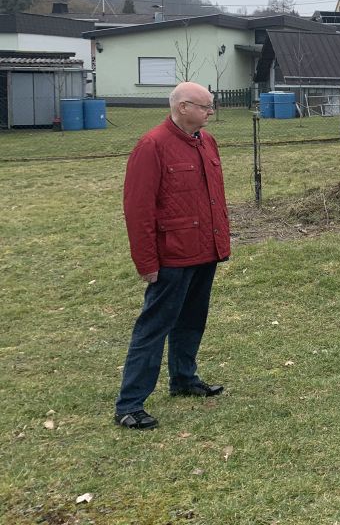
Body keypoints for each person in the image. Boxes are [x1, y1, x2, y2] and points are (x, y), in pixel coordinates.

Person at [114, 82, 230, 430]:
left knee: (192, 320)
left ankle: (183, 378)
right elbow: (138, 210)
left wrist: (219, 242)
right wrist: (147, 263)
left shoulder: (207, 142)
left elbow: (213, 198)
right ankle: (130, 404)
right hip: (172, 256)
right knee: (154, 327)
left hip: (203, 250)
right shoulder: (152, 146)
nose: (211, 112)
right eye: (206, 106)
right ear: (182, 107)